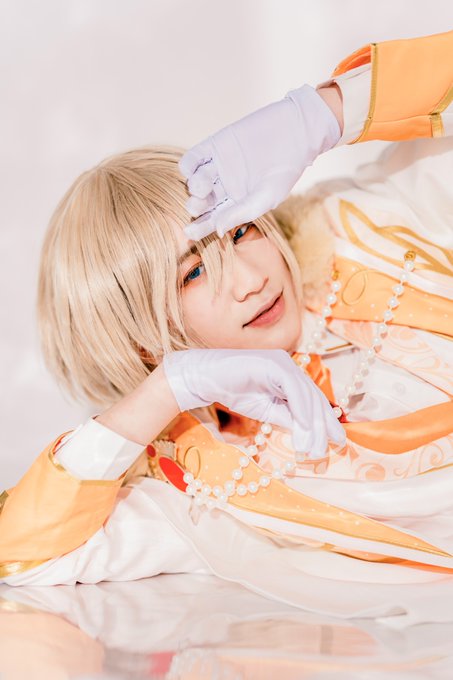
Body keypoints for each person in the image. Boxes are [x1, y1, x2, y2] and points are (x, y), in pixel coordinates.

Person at [0, 30, 452, 620]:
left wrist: (324, 112)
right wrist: (168, 389)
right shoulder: (197, 481)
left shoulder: (373, 229)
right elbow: (22, 554)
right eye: (192, 274)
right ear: (140, 340)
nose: (249, 280)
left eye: (241, 231)